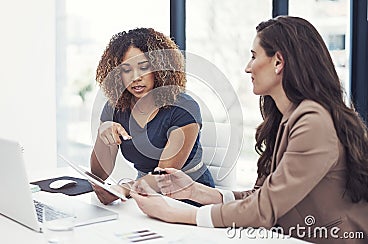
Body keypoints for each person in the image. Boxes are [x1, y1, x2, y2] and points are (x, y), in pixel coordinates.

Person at [130, 16, 368, 243]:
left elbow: (264, 209)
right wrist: (195, 192)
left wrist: (180, 214)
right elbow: (263, 194)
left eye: (254, 56)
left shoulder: (313, 122)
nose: (247, 67)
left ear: (278, 62)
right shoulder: (288, 119)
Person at [91, 27, 215, 206]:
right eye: (126, 69)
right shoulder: (115, 108)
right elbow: (99, 174)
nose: (135, 78)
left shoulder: (184, 107)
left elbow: (164, 177)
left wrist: (125, 189)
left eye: (144, 67)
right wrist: (103, 134)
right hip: (142, 193)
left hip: (188, 197)